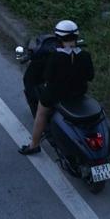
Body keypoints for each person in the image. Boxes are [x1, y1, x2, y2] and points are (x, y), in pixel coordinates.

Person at [18, 20, 95, 155]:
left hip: (56, 94)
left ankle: (34, 145)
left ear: (58, 38)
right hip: (79, 92)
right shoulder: (85, 55)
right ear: (76, 37)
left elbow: (48, 76)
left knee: (41, 112)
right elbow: (90, 76)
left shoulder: (55, 57)